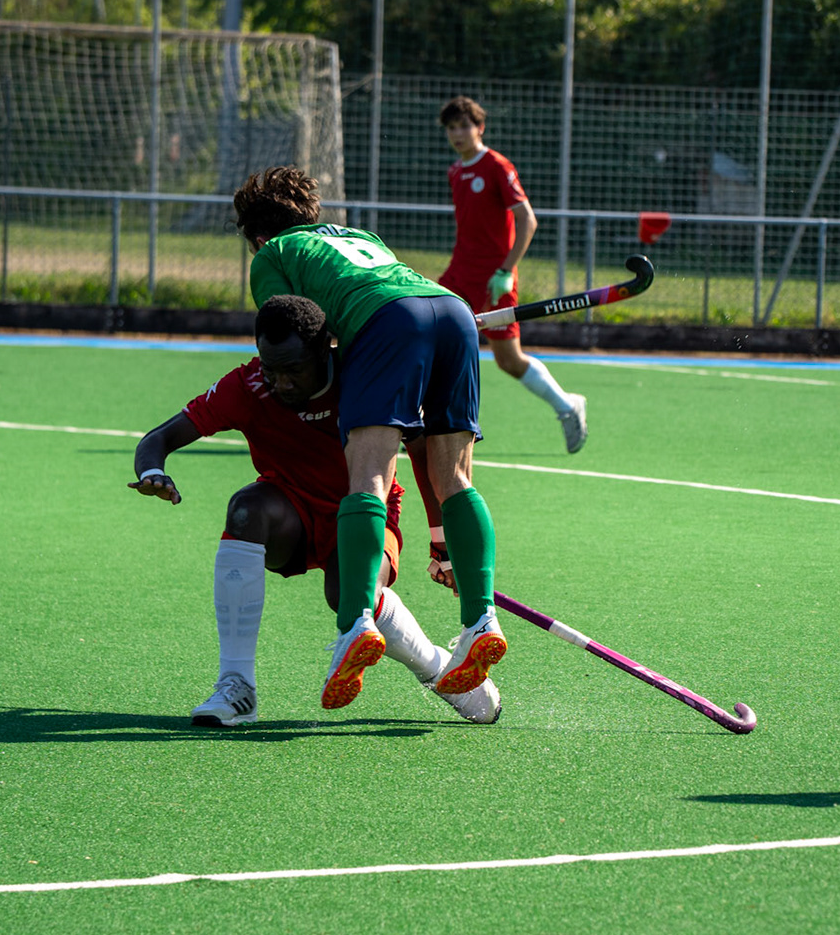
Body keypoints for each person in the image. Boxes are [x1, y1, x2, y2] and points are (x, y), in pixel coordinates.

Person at [131, 294, 499, 727]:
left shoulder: (366, 377)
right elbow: (158, 439)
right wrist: (153, 471)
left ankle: (439, 672)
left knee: (349, 596)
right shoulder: (249, 386)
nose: (281, 384)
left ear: (326, 348)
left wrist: (442, 543)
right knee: (246, 509)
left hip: (368, 512)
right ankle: (236, 686)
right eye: (271, 369)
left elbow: (424, 454)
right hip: (292, 511)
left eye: (294, 370)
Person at [235, 166, 505, 711]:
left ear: (257, 235)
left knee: (369, 476)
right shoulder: (362, 237)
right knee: (456, 478)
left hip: (387, 323)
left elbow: (296, 343)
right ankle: (481, 620)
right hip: (451, 312)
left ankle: (356, 622)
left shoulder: (272, 256)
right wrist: (440, 540)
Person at [436, 95, 587, 455]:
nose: (458, 134)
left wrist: (506, 270)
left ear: (480, 128)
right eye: (451, 128)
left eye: (464, 126)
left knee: (507, 360)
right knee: (432, 338)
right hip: (458, 274)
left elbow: (527, 220)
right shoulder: (455, 171)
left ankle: (567, 405)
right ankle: (425, 425)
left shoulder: (497, 165)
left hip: (494, 279)